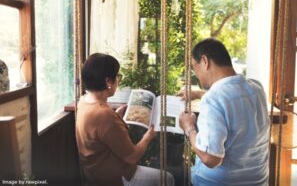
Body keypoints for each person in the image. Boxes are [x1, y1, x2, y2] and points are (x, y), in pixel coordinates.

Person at [179, 38, 270, 186]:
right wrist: (200, 93)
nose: (195, 73)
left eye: (193, 67)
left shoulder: (213, 99)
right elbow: (232, 99)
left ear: (204, 61)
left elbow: (210, 159)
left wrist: (189, 127)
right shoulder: (256, 88)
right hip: (258, 180)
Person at [76, 53, 174, 186]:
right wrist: (148, 136)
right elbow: (132, 157)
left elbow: (99, 130)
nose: (118, 80)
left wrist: (116, 114)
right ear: (108, 82)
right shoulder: (104, 115)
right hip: (116, 177)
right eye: (117, 76)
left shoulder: (84, 101)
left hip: (95, 172)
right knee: (168, 179)